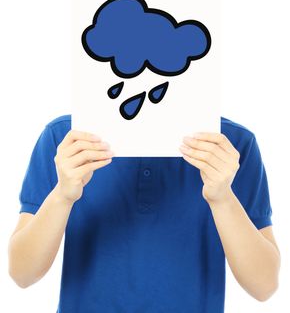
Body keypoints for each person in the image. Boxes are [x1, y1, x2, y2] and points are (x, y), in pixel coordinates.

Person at [8, 114, 280, 313]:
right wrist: (62, 194)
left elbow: (264, 285)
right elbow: (22, 273)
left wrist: (222, 198)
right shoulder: (66, 141)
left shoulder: (231, 147)